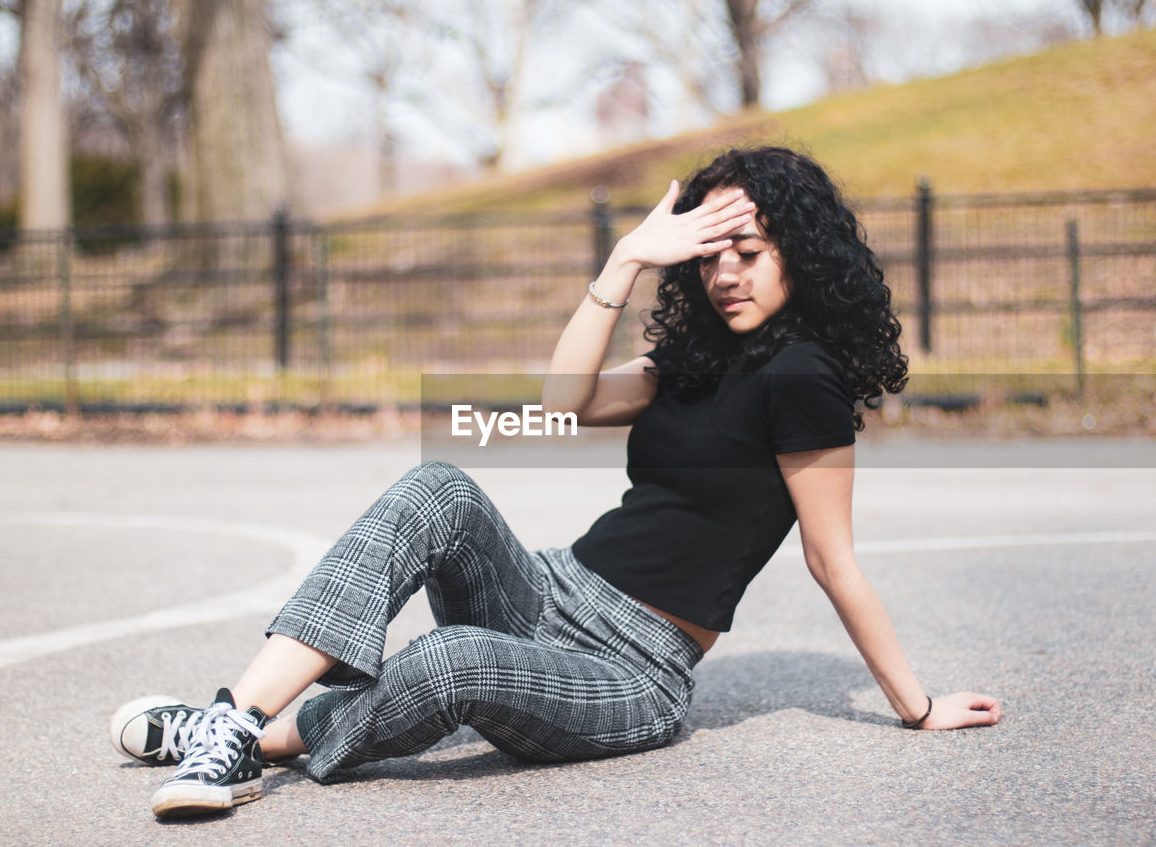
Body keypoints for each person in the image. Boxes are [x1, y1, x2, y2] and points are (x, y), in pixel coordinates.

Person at [110, 146, 1001, 819]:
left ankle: (249, 741)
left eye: (751, 251)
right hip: (548, 587)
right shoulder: (688, 357)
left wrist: (917, 706)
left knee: (451, 661)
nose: (726, 273)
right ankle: (232, 717)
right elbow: (562, 400)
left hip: (633, 670)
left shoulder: (805, 378)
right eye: (711, 253)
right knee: (440, 486)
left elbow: (832, 558)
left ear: (799, 256)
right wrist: (624, 262)